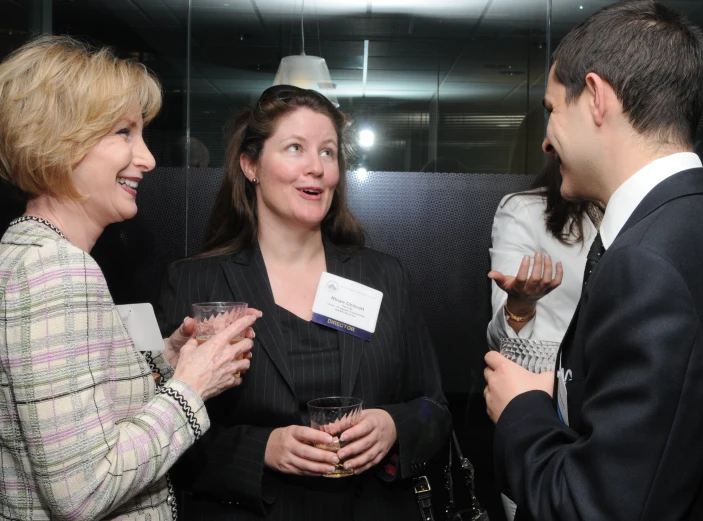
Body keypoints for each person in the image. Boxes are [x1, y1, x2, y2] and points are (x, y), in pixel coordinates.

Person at [483, 1, 703, 520]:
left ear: (596, 98)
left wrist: (521, 410)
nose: (545, 138)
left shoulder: (647, 264)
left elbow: (592, 506)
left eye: (552, 108)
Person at [156, 84, 452, 520]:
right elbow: (164, 438)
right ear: (250, 164)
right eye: (296, 148)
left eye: (328, 152)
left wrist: (394, 427)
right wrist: (263, 449)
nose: (317, 167)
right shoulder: (195, 284)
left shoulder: (383, 276)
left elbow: (435, 409)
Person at [0, 36, 258, 521]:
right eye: (124, 132)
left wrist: (167, 359)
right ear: (59, 138)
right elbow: (83, 493)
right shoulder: (56, 270)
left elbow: (75, 408)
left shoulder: (28, 252)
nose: (147, 158)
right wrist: (192, 387)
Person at [487, 155, 600, 520]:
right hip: (549, 407)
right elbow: (503, 341)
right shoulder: (525, 210)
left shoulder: (632, 211)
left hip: (614, 398)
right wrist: (521, 303)